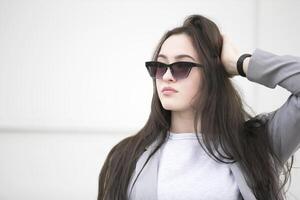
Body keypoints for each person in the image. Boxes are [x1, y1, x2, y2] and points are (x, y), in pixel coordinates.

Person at [97, 14, 300, 200]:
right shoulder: (125, 156)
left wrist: (241, 63)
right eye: (160, 66)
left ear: (211, 74)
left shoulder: (259, 144)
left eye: (181, 66)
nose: (166, 76)